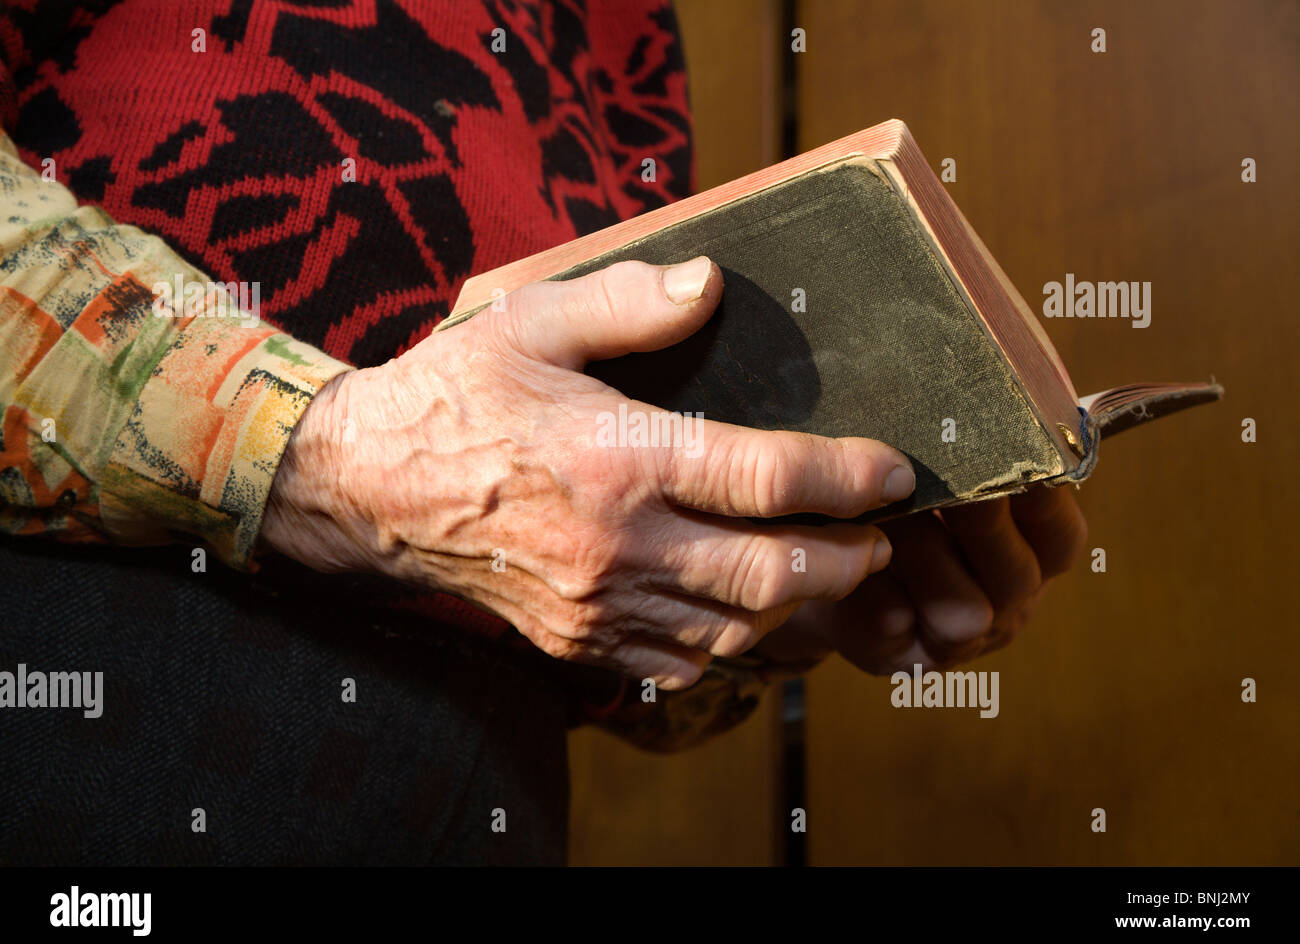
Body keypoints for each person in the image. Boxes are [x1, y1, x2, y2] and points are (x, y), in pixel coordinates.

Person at [0, 0, 1085, 864]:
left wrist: (761, 580)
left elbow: (572, 462)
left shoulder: (629, 25)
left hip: (490, 777)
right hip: (110, 676)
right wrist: (345, 454)